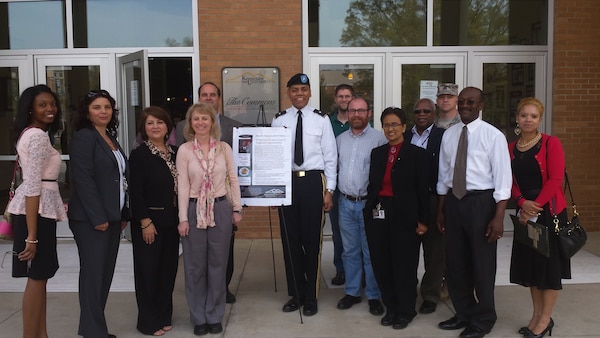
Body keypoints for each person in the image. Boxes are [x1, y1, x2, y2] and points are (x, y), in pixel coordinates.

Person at [436, 87, 512, 338]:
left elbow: (503, 180)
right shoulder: (449, 134)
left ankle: (484, 319)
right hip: (455, 203)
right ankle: (464, 312)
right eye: (463, 102)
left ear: (481, 104)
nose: (466, 106)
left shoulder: (493, 136)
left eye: (471, 102)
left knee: (481, 265)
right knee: (456, 262)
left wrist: (498, 216)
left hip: (481, 203)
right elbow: (444, 176)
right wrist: (441, 210)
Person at [272, 73, 337, 316]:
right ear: (288, 93)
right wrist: (271, 191)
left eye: (304, 89)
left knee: (312, 241)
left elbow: (331, 156)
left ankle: (311, 296)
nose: (299, 93)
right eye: (295, 89)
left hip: (313, 181)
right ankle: (296, 293)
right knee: (290, 240)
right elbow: (273, 157)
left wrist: (329, 190)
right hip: (286, 181)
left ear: (310, 92)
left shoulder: (321, 120)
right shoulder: (278, 120)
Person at [176, 102, 242, 336]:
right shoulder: (184, 150)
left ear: (213, 122)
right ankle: (198, 317)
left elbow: (233, 179)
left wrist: (237, 209)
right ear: (190, 123)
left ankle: (215, 315)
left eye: (205, 118)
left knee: (217, 265)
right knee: (195, 268)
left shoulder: (224, 148)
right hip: (194, 211)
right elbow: (182, 186)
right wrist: (183, 218)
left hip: (221, 209)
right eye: (196, 119)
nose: (201, 123)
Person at [68, 89, 129, 338]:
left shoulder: (110, 138)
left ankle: (93, 328)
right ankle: (93, 332)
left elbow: (120, 179)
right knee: (93, 275)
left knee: (104, 274)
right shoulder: (84, 137)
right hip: (91, 221)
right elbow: (84, 180)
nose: (103, 111)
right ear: (87, 112)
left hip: (113, 218)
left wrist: (123, 212)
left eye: (107, 107)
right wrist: (99, 217)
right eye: (97, 107)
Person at [7, 85, 67, 338]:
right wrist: (32, 236)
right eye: (42, 104)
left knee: (40, 278)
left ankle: (41, 334)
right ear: (30, 108)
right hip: (36, 213)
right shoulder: (38, 137)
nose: (49, 108)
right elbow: (32, 186)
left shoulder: (33, 133)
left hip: (38, 211)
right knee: (36, 278)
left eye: (52, 103)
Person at [509, 97, 569, 338]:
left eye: (533, 116)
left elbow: (556, 180)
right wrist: (522, 203)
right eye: (524, 115)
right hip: (525, 213)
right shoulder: (510, 147)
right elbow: (508, 180)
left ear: (540, 119)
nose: (528, 120)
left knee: (549, 269)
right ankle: (535, 316)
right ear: (517, 118)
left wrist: (534, 207)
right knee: (532, 269)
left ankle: (545, 319)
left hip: (549, 213)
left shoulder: (550, 143)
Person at [364, 107, 429, 330]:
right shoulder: (377, 153)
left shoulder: (417, 155)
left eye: (395, 124)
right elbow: (374, 186)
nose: (390, 129)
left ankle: (406, 310)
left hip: (406, 216)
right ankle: (391, 307)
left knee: (404, 265)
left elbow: (423, 190)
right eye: (386, 125)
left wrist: (423, 220)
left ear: (403, 127)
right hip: (379, 213)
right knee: (382, 263)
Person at [129, 106, 180, 336]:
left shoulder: (176, 152)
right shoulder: (139, 155)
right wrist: (144, 221)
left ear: (167, 126)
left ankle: (164, 315)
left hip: (172, 222)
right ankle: (148, 322)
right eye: (150, 123)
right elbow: (136, 192)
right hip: (150, 223)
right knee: (147, 272)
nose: (156, 126)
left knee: (167, 272)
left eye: (160, 122)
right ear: (144, 129)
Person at [335, 97, 387, 315]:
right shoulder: (339, 139)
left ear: (369, 113)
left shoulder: (380, 139)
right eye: (352, 110)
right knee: (349, 251)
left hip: (369, 204)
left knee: (370, 251)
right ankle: (353, 292)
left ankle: (374, 296)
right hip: (345, 203)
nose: (356, 114)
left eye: (360, 110)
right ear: (347, 113)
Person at [406, 98, 446, 314]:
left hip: (432, 200)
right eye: (417, 111)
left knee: (434, 252)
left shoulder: (443, 137)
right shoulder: (405, 136)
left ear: (434, 113)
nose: (422, 114)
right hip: (409, 201)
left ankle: (430, 295)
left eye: (427, 111)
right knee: (407, 250)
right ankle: (407, 290)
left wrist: (442, 208)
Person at [328, 83, 354, 286]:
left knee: (356, 233)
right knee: (338, 231)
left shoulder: (360, 122)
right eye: (341, 96)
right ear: (336, 99)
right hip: (335, 185)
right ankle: (341, 269)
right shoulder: (327, 123)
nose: (344, 99)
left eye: (348, 96)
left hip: (355, 184)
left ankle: (357, 269)